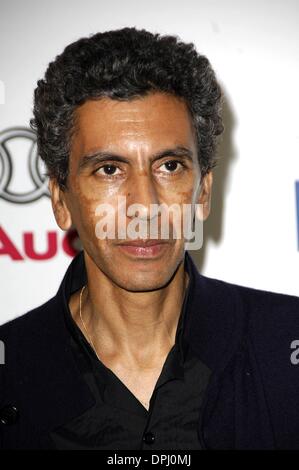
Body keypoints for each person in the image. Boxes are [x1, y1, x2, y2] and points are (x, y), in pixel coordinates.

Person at [0, 27, 299, 450]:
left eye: (170, 167)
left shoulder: (287, 346)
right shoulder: (8, 370)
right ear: (61, 200)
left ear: (204, 192)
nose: (144, 206)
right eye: (109, 170)